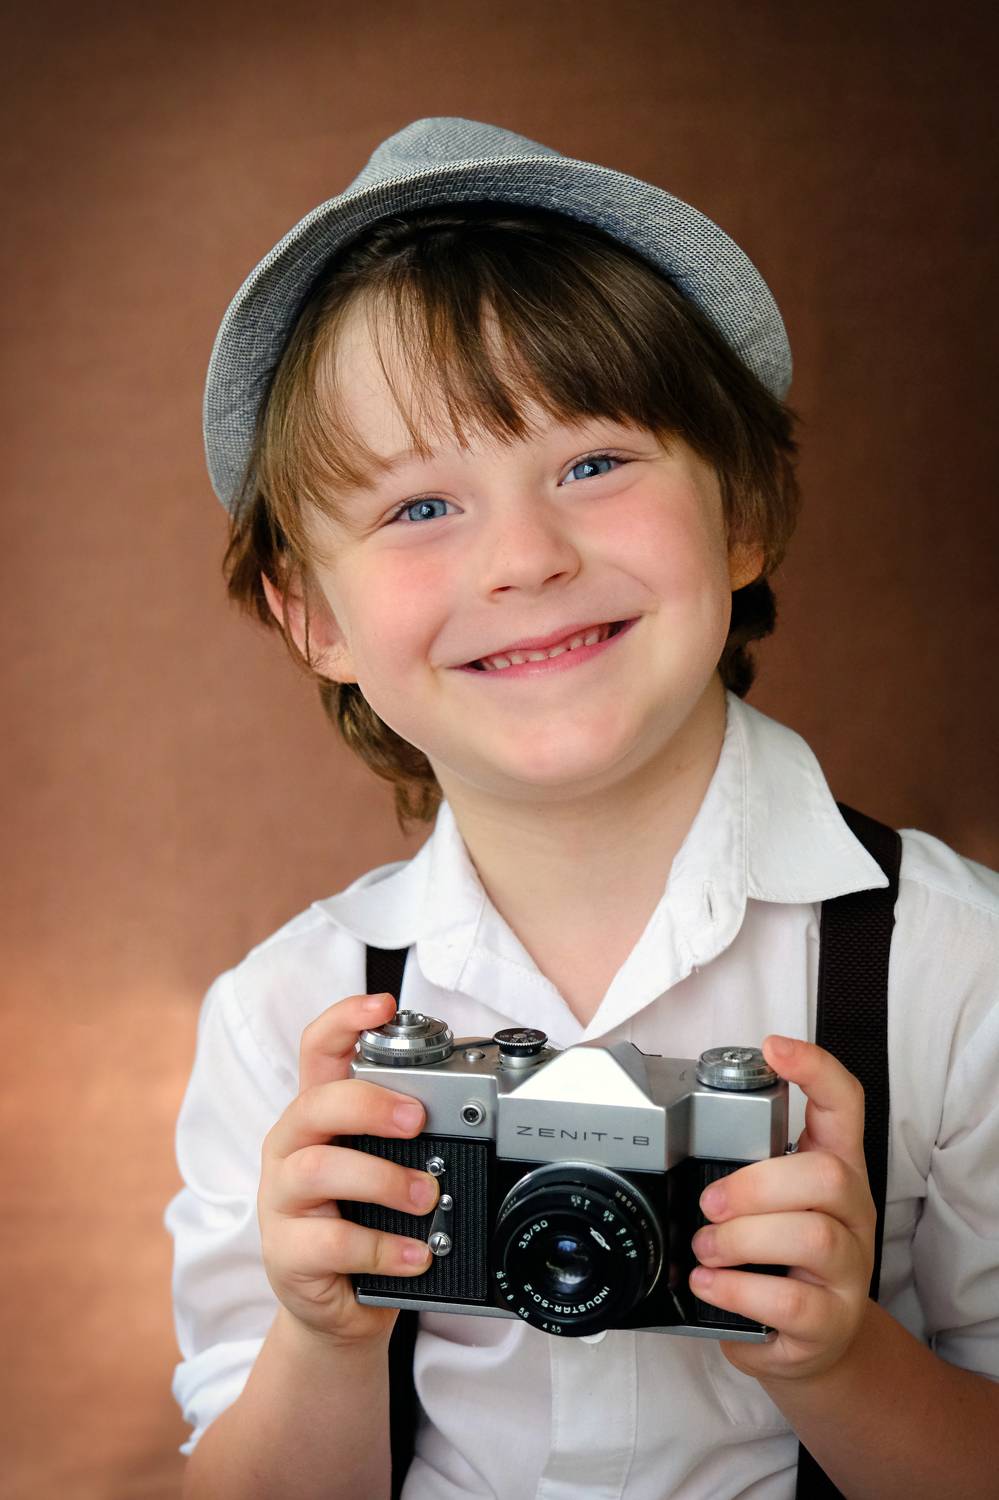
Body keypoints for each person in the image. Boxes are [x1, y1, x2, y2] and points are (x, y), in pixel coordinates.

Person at [165, 118, 999, 1499]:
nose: (525, 558)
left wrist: (841, 1360)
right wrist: (321, 1341)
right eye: (419, 507)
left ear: (741, 511)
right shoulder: (286, 1019)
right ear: (313, 616)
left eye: (595, 463)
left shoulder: (960, 976)